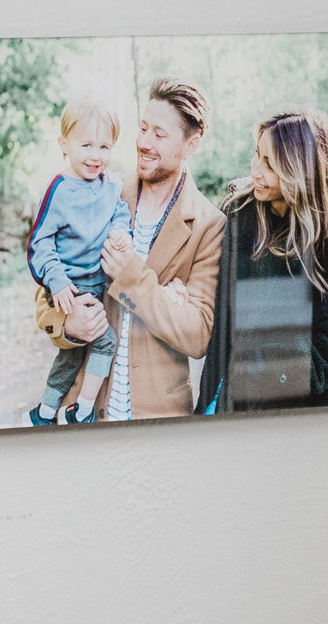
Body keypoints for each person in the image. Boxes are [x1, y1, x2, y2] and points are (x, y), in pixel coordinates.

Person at [71, 80, 226, 423]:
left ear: (191, 144)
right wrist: (67, 321)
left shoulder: (208, 224)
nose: (143, 142)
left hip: (158, 419)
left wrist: (132, 276)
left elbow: (197, 333)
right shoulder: (103, 190)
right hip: (83, 407)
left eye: (159, 134)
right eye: (143, 128)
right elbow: (51, 292)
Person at [197, 110, 328, 416]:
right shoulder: (238, 210)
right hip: (224, 397)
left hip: (291, 411)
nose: (256, 170)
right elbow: (212, 290)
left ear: (302, 169)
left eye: (270, 164)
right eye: (258, 156)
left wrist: (272, 369)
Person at [23, 95, 126, 427]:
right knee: (104, 340)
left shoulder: (111, 184)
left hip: (96, 284)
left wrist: (121, 231)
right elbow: (40, 242)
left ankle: (44, 412)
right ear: (64, 144)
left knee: (71, 355)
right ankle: (81, 411)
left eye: (104, 147)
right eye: (86, 145)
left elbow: (119, 213)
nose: (95, 156)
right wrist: (56, 280)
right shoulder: (59, 189)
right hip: (69, 285)